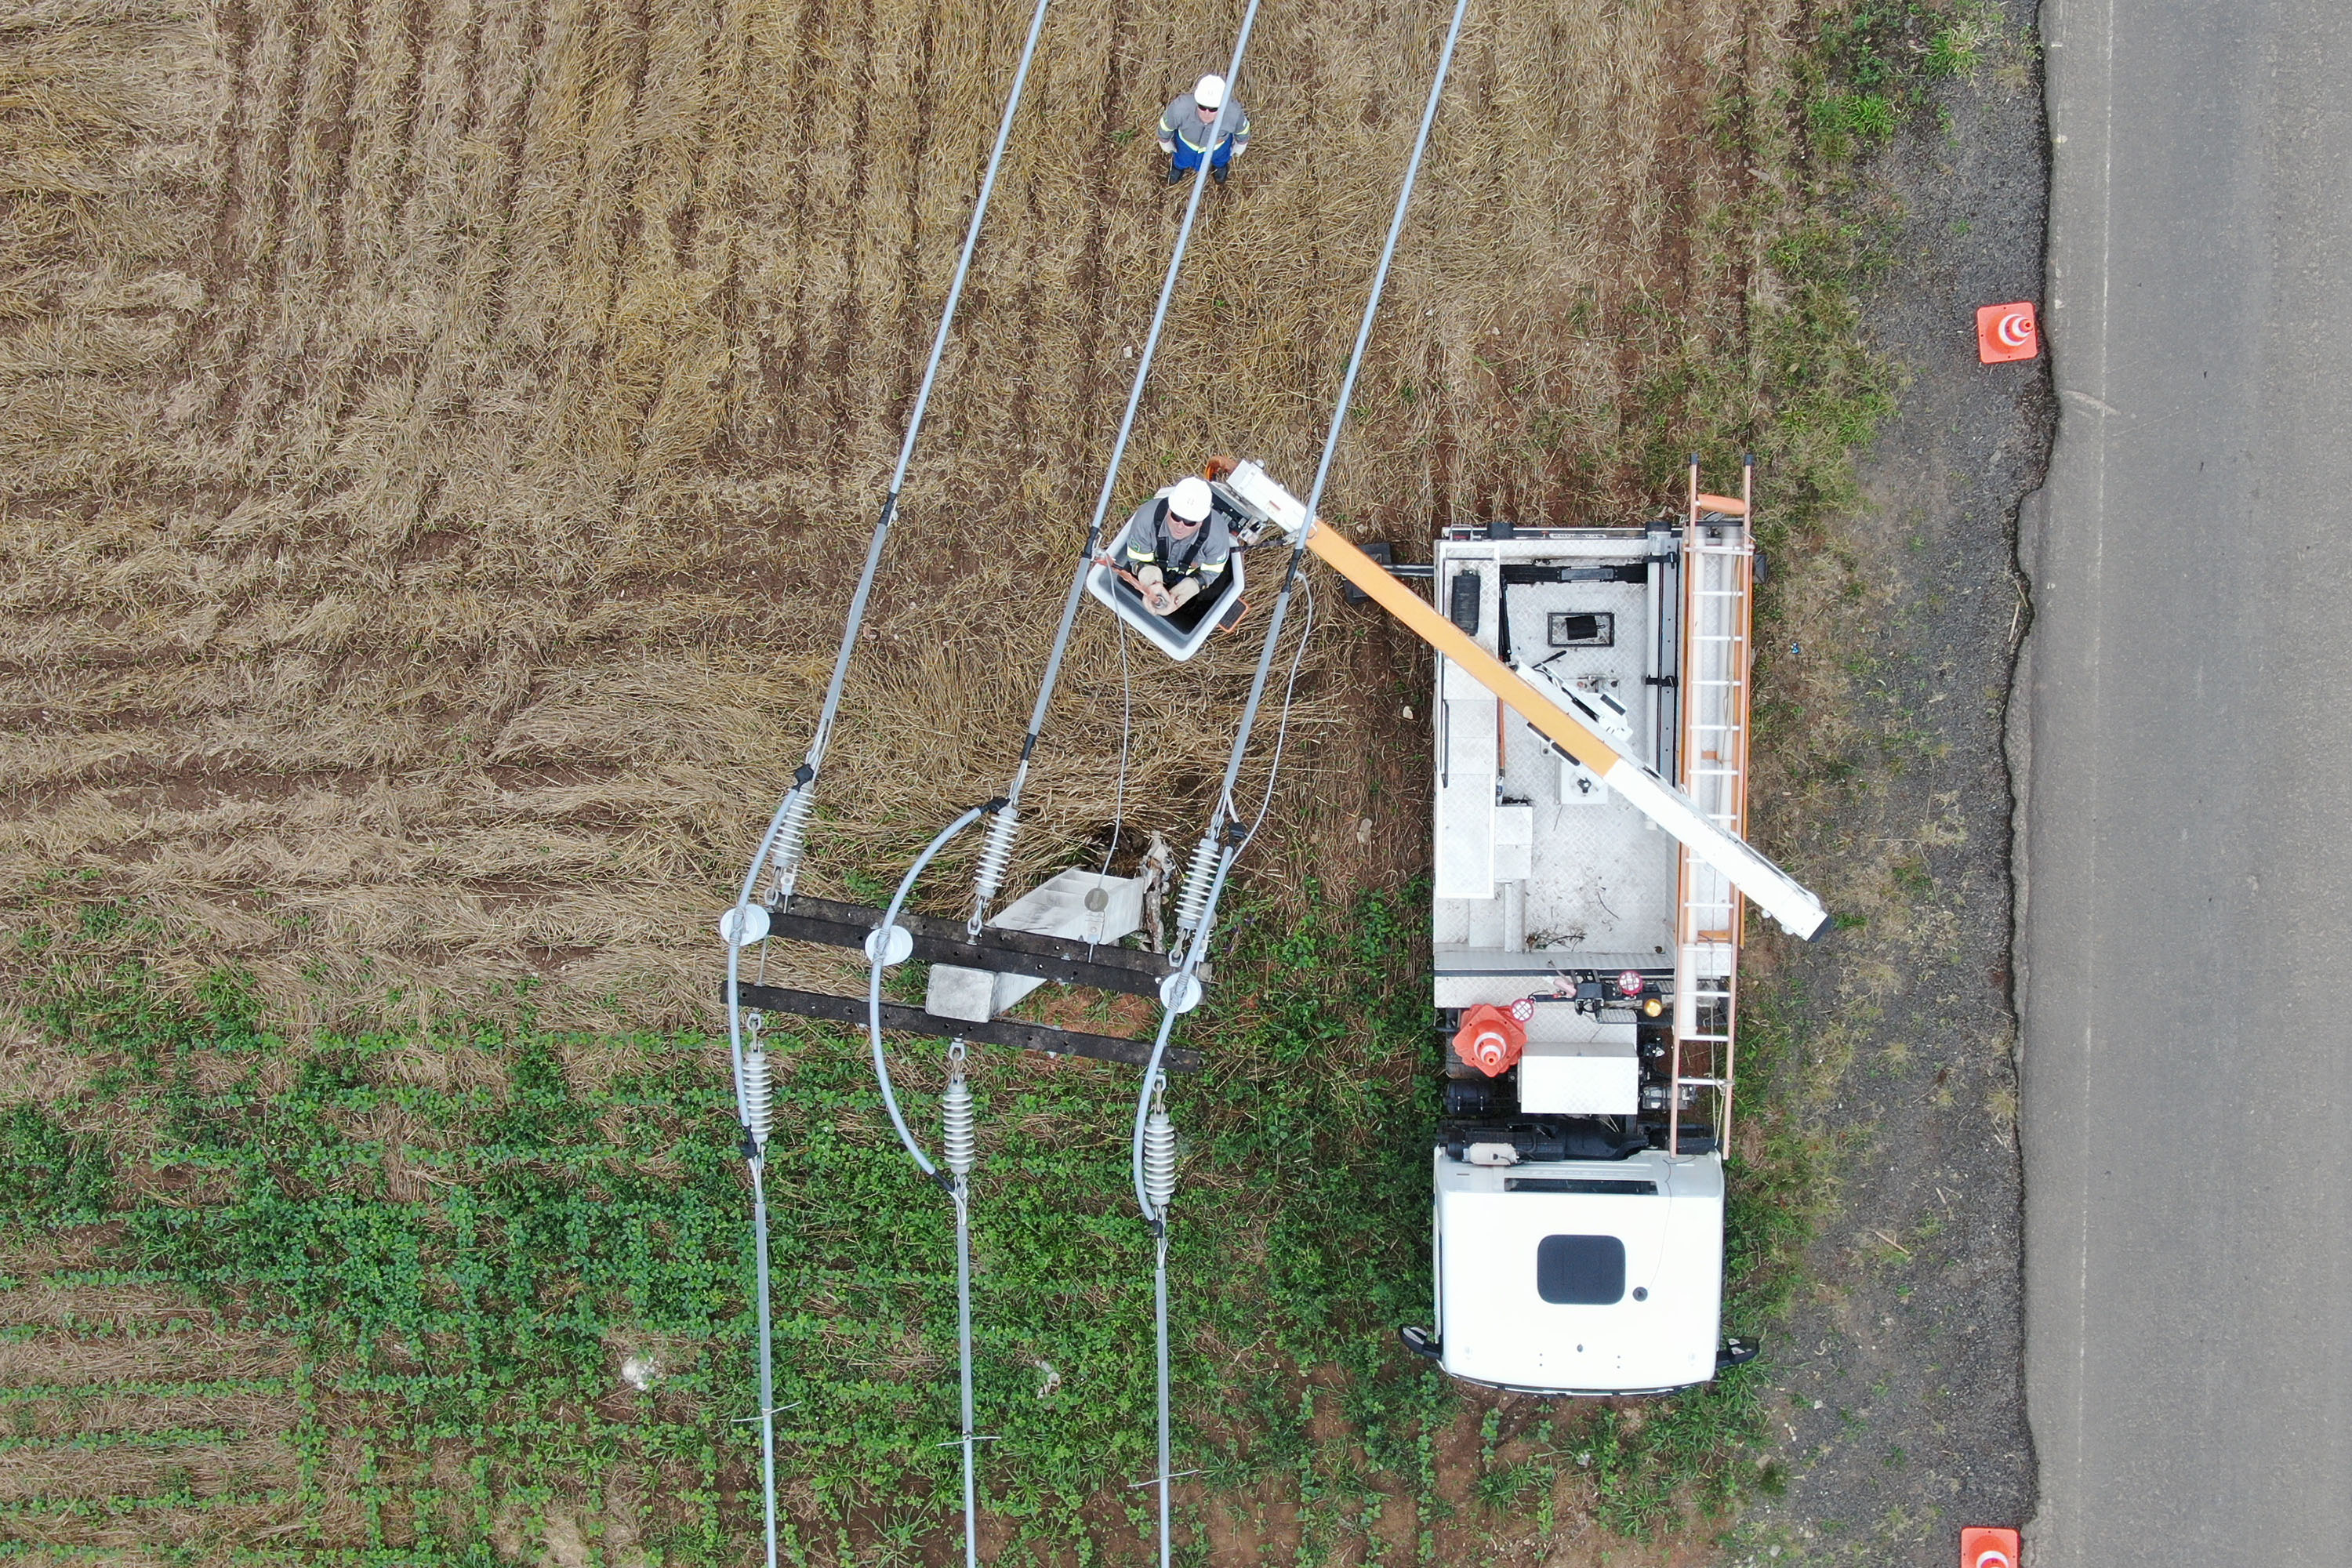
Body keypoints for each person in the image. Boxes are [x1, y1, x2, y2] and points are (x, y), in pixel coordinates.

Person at [1116, 474, 1231, 617]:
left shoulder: (1217, 536)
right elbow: (1137, 558)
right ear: (1169, 509)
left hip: (1188, 576)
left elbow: (1212, 571)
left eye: (1190, 522)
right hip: (1156, 567)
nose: (1180, 526)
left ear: (1201, 521)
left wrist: (1186, 591)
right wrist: (1151, 583)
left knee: (1210, 595)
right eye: (1176, 517)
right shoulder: (1146, 519)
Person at [1157, 74, 1250, 186]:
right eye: (1202, 107)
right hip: (1185, 148)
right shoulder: (1179, 109)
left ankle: (1220, 167)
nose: (1206, 113)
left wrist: (1241, 143)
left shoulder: (1234, 113)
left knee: (1221, 159)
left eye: (1213, 109)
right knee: (1181, 160)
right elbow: (1166, 125)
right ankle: (1178, 167)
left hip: (1219, 149)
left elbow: (1242, 130)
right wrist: (1164, 141)